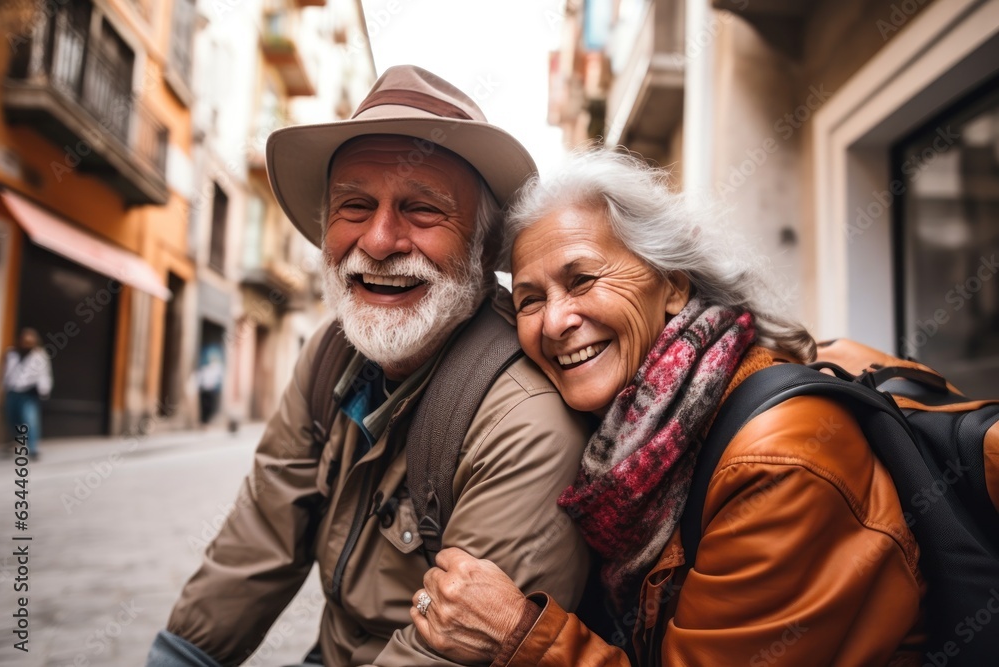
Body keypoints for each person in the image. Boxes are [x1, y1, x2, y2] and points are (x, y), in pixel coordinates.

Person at [147, 66, 591, 666]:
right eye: (354, 205)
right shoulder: (332, 353)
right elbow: (262, 534)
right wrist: (180, 655)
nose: (379, 240)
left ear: (485, 251)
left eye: (422, 210)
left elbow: (448, 653)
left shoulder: (524, 418)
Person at [411, 150, 925, 666]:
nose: (554, 322)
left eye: (582, 279)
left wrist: (519, 633)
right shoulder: (623, 438)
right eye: (529, 300)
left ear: (674, 284)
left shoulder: (778, 462)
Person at [2, 327, 52, 459]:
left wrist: (44, 390)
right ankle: (18, 442)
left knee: (29, 420)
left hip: (29, 392)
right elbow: (6, 372)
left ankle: (33, 448)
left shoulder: (40, 355)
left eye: (30, 340)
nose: (27, 343)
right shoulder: (12, 353)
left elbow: (44, 375)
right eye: (25, 340)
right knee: (13, 418)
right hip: (12, 391)